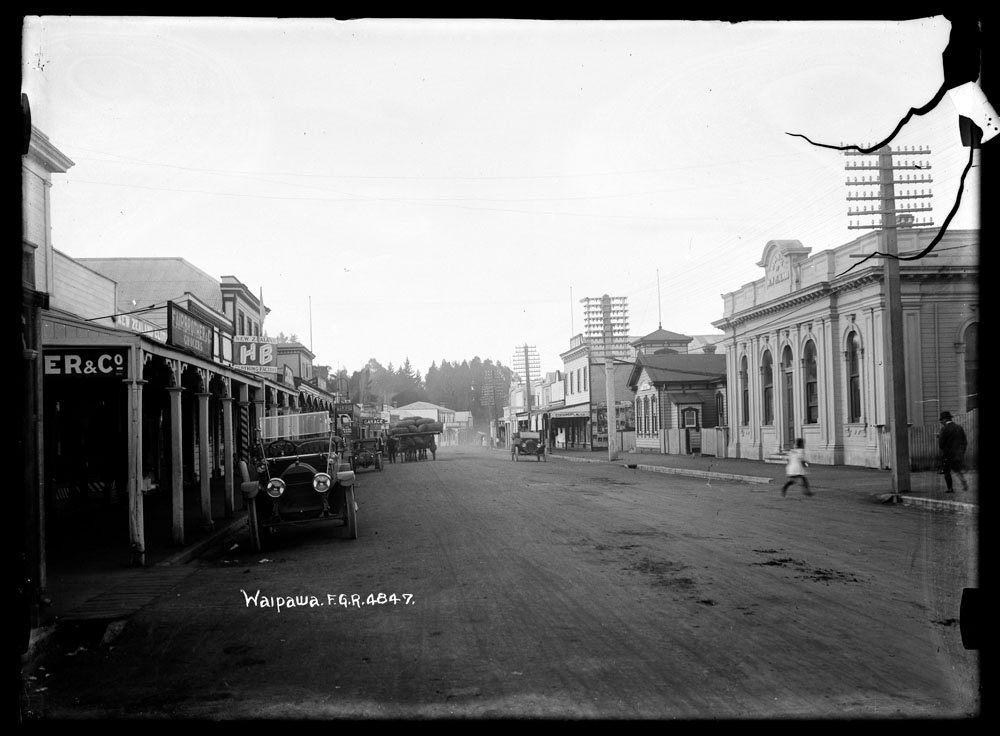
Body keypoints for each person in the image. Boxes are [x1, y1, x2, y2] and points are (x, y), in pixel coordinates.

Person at [938, 411, 969, 492]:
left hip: (947, 455)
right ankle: (964, 482)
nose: (941, 422)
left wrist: (940, 439)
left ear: (945, 419)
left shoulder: (944, 429)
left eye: (941, 420)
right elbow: (964, 442)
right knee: (957, 470)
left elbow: (941, 444)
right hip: (957, 454)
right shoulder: (959, 427)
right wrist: (961, 452)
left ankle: (950, 488)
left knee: (946, 472)